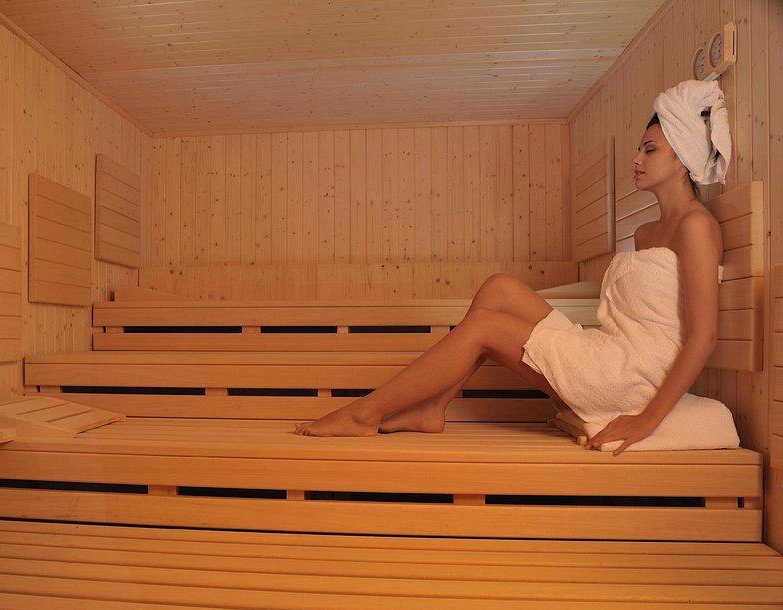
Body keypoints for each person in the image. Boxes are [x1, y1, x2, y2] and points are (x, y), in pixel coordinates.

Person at [293, 79, 732, 457]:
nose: (637, 159)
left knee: (485, 327)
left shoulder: (696, 227)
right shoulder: (644, 232)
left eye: (650, 150)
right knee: (499, 287)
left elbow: (703, 336)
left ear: (683, 157)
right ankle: (432, 407)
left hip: (634, 377)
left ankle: (364, 413)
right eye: (639, 149)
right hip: (612, 351)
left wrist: (648, 419)